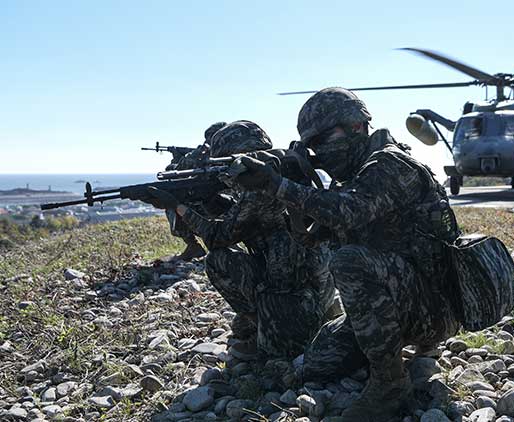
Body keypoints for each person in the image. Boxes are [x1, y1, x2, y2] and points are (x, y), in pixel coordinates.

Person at [230, 88, 462, 421]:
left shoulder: (391, 164)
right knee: (316, 364)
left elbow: (346, 213)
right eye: (312, 146)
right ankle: (389, 352)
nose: (319, 152)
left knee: (349, 261)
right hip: (401, 303)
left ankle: (390, 383)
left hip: (434, 310)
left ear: (356, 127)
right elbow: (312, 238)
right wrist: (295, 187)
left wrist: (279, 186)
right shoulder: (358, 177)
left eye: (322, 139)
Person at [145, 120, 335, 358]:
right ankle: (282, 319)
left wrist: (177, 206)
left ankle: (270, 329)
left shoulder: (258, 188)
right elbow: (242, 219)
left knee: (219, 261)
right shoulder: (282, 170)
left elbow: (218, 237)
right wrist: (204, 201)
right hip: (316, 284)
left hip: (294, 295)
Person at [164, 121, 227, 261]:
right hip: (222, 203)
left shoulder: (221, 155)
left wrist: (192, 156)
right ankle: (195, 247)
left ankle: (210, 246)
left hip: (224, 205)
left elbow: (178, 169)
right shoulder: (213, 154)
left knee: (174, 204)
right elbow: (177, 170)